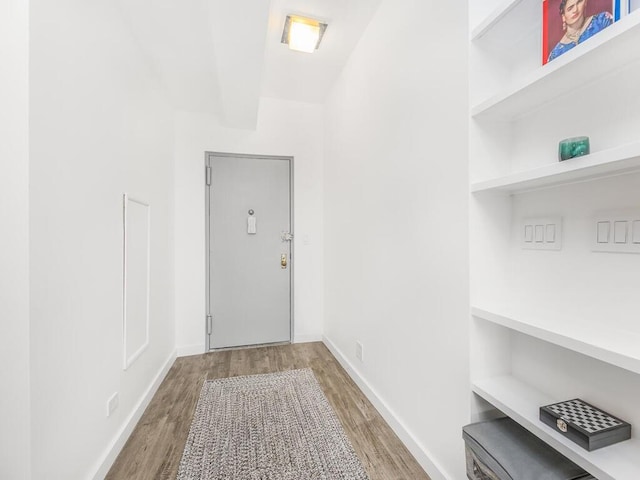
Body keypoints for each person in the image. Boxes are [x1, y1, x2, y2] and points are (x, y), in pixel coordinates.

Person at [548, 0, 613, 62]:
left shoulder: (602, 20)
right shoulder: (555, 54)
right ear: (563, 16)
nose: (575, 10)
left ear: (585, 2)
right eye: (570, 8)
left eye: (579, 2)